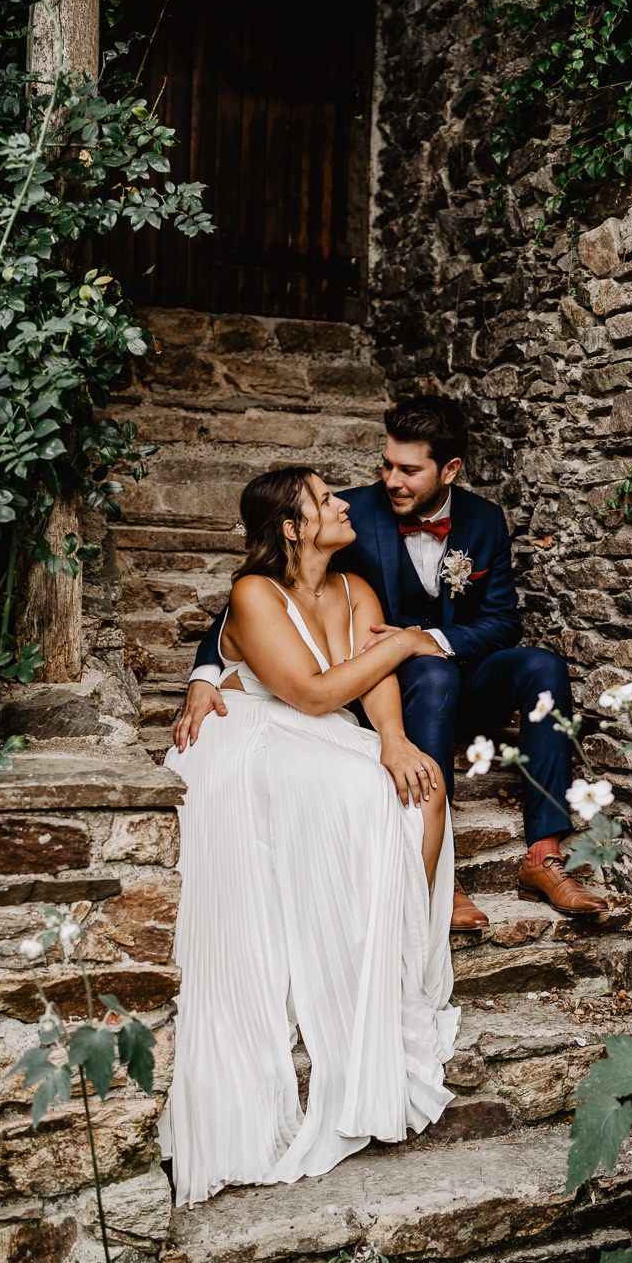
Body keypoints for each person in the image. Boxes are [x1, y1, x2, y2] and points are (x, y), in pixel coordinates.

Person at [177, 395, 606, 927]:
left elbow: (502, 622)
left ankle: (544, 855)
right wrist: (205, 671)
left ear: (449, 469)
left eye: (408, 469)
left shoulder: (485, 520)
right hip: (396, 687)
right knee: (429, 671)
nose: (391, 480)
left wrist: (426, 637)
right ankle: (441, 869)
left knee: (543, 668)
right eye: (386, 465)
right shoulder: (351, 515)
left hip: (457, 673)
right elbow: (253, 598)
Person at [161, 466, 459, 1208]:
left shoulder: (356, 589)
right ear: (291, 527)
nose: (343, 504)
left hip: (321, 733)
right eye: (325, 499)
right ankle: (352, 963)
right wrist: (410, 641)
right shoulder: (254, 593)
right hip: (253, 733)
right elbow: (317, 691)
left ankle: (396, 969)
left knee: (420, 793)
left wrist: (393, 739)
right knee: (360, 794)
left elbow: (370, 685)